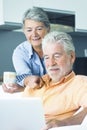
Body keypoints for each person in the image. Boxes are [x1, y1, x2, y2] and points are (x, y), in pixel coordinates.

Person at [23, 31, 87, 129]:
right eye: (47, 57)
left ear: (72, 57)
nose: (51, 63)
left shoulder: (80, 83)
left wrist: (64, 123)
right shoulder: (34, 85)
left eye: (57, 56)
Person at [2, 7, 50, 93]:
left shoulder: (57, 48)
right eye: (29, 30)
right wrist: (28, 81)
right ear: (24, 31)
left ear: (48, 29)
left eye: (39, 29)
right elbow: (24, 76)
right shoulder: (20, 52)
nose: (34, 34)